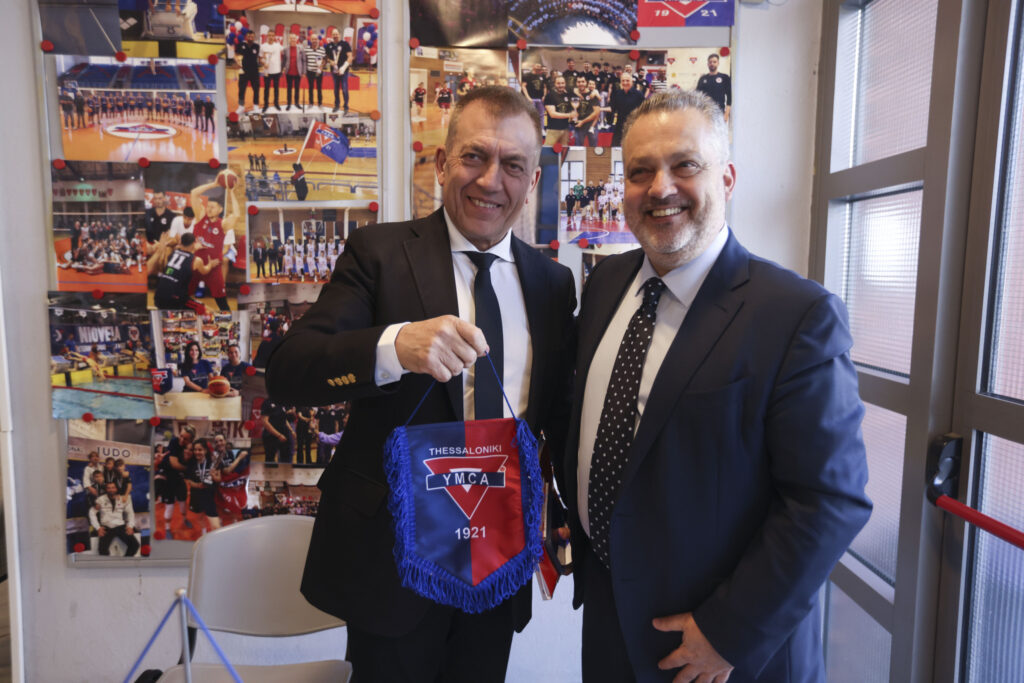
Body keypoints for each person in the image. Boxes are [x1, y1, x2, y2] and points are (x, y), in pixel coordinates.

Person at [265, 86, 576, 681]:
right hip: (395, 562)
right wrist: (393, 347)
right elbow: (288, 370)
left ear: (533, 180)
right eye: (474, 156)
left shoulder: (553, 284)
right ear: (440, 163)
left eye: (513, 165)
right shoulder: (379, 253)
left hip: (496, 558)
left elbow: (557, 415)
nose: (491, 180)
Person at [562, 90, 872, 682]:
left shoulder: (796, 316)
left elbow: (829, 500)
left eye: (685, 165)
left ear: (726, 179)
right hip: (608, 622)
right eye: (641, 171)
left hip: (717, 649)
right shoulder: (605, 285)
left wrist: (731, 632)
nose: (660, 188)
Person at [188, 178, 241, 311]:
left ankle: (227, 318)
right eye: (208, 206)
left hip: (213, 267)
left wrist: (232, 192)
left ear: (220, 209)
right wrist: (214, 184)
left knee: (222, 303)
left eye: (213, 207)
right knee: (181, 295)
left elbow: (236, 215)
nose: (209, 209)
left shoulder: (223, 224)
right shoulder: (201, 216)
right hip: (196, 264)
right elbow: (194, 193)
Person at [148, 232, 220, 310]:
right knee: (205, 310)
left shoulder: (173, 253)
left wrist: (194, 248)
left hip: (158, 297)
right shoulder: (197, 260)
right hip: (175, 300)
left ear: (181, 243)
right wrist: (210, 264)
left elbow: (184, 254)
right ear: (193, 243)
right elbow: (205, 271)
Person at [89, 482, 140, 556]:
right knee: (102, 550)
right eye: (109, 488)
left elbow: (130, 513)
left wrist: (130, 526)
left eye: (113, 487)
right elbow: (91, 513)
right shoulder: (100, 500)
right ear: (106, 489)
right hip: (106, 527)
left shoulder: (123, 499)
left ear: (116, 489)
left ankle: (125, 561)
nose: (111, 490)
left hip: (120, 526)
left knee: (135, 545)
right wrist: (98, 528)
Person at [607, 72, 645, 147]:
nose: (625, 83)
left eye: (627, 80)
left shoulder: (639, 95)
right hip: (620, 125)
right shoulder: (617, 94)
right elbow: (612, 108)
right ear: (620, 82)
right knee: (614, 147)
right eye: (623, 81)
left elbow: (644, 110)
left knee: (633, 148)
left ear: (632, 81)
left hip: (633, 126)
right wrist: (600, 109)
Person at [696, 52, 732, 122]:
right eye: (710, 62)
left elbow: (729, 98)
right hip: (705, 113)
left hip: (719, 113)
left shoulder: (724, 77)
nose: (712, 64)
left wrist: (726, 114)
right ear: (708, 64)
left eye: (714, 62)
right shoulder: (703, 79)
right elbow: (697, 97)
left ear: (718, 63)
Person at [324, 28, 352, 114]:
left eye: (336, 34)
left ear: (339, 34)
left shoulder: (345, 44)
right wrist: (330, 61)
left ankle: (346, 106)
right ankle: (337, 105)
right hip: (334, 71)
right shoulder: (329, 46)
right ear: (331, 35)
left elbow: (350, 57)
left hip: (344, 71)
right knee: (336, 89)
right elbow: (326, 58)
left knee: (344, 88)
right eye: (334, 34)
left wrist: (343, 68)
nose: (335, 36)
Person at [543, 75, 573, 147]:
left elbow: (570, 109)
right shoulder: (550, 96)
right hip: (553, 129)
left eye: (562, 83)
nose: (561, 85)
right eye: (558, 83)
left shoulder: (567, 95)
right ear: (555, 84)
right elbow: (552, 114)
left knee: (564, 150)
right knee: (547, 150)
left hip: (565, 129)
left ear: (565, 83)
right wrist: (569, 115)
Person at [235, 30, 261, 111]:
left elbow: (258, 57)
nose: (250, 38)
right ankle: (241, 106)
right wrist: (237, 62)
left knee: (256, 89)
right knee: (241, 89)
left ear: (254, 37)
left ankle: (256, 105)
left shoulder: (257, 46)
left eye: (252, 36)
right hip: (243, 71)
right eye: (249, 36)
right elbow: (235, 55)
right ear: (246, 36)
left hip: (254, 71)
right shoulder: (241, 45)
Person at [281, 32, 305, 111]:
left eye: (294, 38)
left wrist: (303, 72)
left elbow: (304, 60)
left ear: (296, 39)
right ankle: (289, 104)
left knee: (297, 89)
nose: (293, 40)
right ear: (289, 39)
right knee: (289, 89)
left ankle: (297, 103)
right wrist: (282, 69)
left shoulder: (301, 48)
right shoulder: (285, 49)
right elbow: (284, 60)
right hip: (289, 72)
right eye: (291, 38)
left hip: (298, 72)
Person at [260, 33, 283, 112]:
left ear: (274, 37)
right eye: (269, 35)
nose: (271, 37)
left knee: (276, 89)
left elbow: (286, 51)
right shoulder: (263, 46)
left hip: (277, 71)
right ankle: (265, 105)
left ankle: (276, 103)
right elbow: (260, 58)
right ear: (267, 36)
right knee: (266, 89)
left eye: (273, 35)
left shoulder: (278, 46)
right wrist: (264, 63)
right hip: (267, 71)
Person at [305, 35, 326, 109]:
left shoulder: (322, 49)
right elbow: (305, 60)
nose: (314, 40)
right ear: (310, 40)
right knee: (310, 88)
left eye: (316, 39)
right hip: (310, 72)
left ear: (318, 40)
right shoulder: (307, 49)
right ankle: (311, 103)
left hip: (319, 72)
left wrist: (321, 67)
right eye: (313, 39)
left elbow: (324, 60)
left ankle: (320, 103)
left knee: (319, 88)